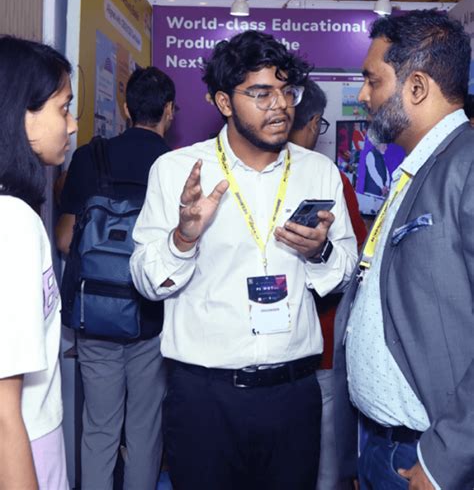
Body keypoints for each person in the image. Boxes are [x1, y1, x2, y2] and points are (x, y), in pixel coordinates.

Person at [131, 31, 358, 490]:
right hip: (205, 399)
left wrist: (319, 251)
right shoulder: (176, 171)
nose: (280, 106)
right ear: (224, 102)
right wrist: (183, 238)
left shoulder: (318, 171)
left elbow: (345, 270)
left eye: (286, 91)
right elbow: (146, 281)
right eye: (261, 93)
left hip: (293, 395)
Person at [334, 10, 474, 490]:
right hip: (382, 447)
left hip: (431, 458)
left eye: (372, 80)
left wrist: (443, 463)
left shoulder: (467, 166)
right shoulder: (416, 167)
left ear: (416, 87)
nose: (363, 95)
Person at [56, 66, 176, 490]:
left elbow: (66, 239)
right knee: (145, 428)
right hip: (152, 316)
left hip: (95, 313)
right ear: (169, 111)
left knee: (99, 428)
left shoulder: (89, 157)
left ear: (125, 108)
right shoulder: (177, 166)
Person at [0, 35, 77, 489]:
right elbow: (2, 408)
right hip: (23, 444)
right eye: (63, 108)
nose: (72, 125)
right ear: (20, 114)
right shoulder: (12, 222)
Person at [290, 79, 367, 490]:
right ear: (314, 121)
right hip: (322, 345)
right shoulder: (332, 179)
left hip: (260, 360)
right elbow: (357, 259)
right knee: (323, 461)